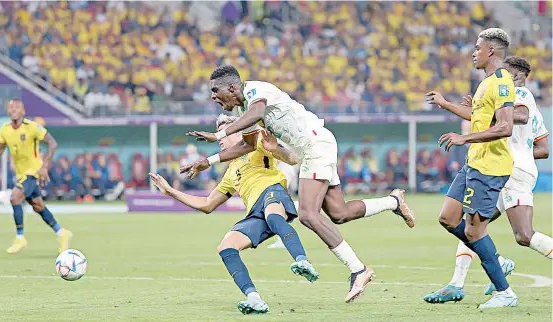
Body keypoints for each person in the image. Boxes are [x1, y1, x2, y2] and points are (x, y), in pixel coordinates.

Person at [180, 65, 415, 303]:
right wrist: (208, 161)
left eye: (215, 90)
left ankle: (358, 270)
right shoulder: (245, 110)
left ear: (232, 87)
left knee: (308, 215)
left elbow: (257, 113)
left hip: (315, 146)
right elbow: (248, 145)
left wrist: (220, 135)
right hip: (313, 149)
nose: (212, 96)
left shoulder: (255, 91)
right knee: (338, 212)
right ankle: (393, 201)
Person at [150, 114, 319, 315]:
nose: (220, 140)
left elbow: (292, 159)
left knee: (273, 215)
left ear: (238, 132)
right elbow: (207, 204)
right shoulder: (230, 171)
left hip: (272, 193)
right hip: (255, 213)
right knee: (226, 247)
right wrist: (170, 192)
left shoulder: (257, 145)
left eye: (224, 135)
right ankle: (254, 298)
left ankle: (302, 261)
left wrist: (277, 149)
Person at [424, 56, 551, 304]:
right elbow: (543, 147)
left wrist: (487, 111)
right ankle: (457, 283)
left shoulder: (521, 94)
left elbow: (522, 115)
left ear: (514, 76)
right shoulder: (508, 100)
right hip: (500, 167)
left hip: (511, 171)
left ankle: (491, 278)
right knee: (472, 225)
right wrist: (476, 109)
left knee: (523, 235)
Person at [424, 28, 518, 308]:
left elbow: (505, 126)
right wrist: (445, 104)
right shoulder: (486, 82)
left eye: (477, 48)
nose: (473, 53)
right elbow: (479, 116)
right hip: (474, 162)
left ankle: (505, 293)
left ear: (491, 50)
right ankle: (497, 259)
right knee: (448, 218)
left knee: (476, 232)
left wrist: (464, 137)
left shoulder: (502, 82)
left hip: (490, 166)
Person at [0, 99, 73, 254]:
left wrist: (45, 166)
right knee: (38, 206)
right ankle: (62, 233)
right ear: (8, 111)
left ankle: (20, 238)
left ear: (23, 112)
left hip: (33, 173)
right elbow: (1, 147)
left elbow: (52, 143)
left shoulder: (32, 127)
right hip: (21, 175)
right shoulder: (5, 129)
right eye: (11, 107)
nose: (13, 109)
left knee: (14, 197)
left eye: (17, 107)